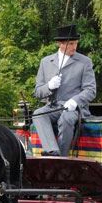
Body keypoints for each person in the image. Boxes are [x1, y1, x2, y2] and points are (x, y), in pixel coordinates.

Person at [32, 24, 96, 156]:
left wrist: (75, 101)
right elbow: (37, 92)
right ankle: (52, 151)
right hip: (52, 107)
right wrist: (49, 86)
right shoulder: (45, 62)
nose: (74, 47)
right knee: (38, 114)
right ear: (60, 44)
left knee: (66, 119)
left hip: (73, 109)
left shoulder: (85, 62)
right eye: (71, 43)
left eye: (76, 43)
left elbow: (91, 90)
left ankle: (62, 157)